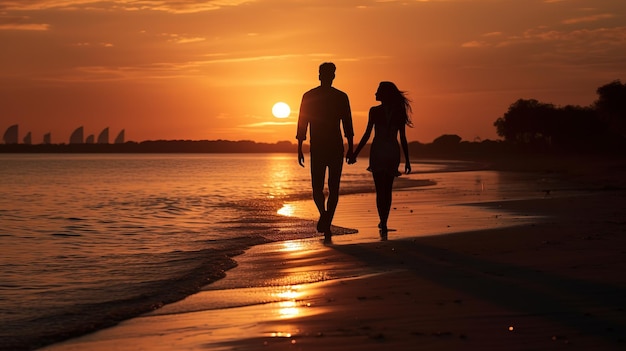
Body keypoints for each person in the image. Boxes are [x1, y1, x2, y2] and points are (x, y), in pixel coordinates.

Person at [297, 62, 354, 243]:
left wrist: (351, 148)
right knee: (322, 187)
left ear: (322, 75)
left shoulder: (338, 97)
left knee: (326, 186)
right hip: (324, 147)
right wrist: (299, 148)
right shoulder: (313, 96)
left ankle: (326, 218)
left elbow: (347, 123)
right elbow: (302, 123)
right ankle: (326, 216)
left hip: (328, 147)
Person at [348, 81, 412, 240]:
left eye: (377, 91)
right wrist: (407, 160)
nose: (375, 93)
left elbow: (367, 134)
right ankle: (384, 221)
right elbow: (403, 137)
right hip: (392, 151)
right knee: (387, 189)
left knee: (379, 190)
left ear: (384, 94)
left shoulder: (374, 111)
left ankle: (382, 221)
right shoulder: (399, 111)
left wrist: (355, 153)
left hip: (378, 151)